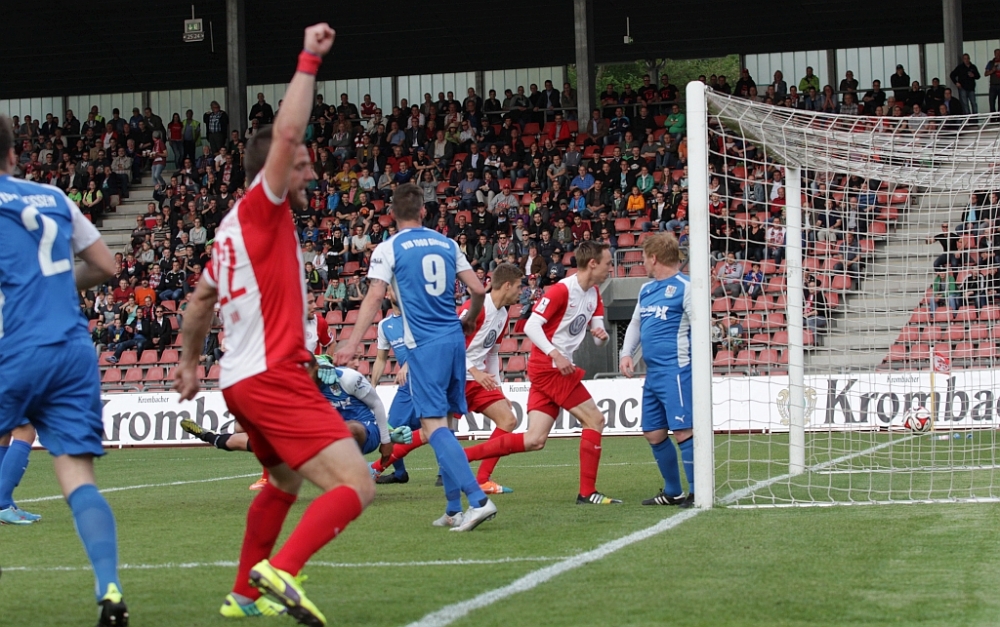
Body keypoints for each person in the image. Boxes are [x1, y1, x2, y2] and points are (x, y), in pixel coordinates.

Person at [173, 24, 376, 625]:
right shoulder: (263, 206)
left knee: (283, 482)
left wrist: (189, 365)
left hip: (239, 383)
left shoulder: (229, 231)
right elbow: (286, 132)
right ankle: (281, 570)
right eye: (303, 165)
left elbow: (199, 303)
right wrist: (309, 58)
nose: (311, 174)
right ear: (275, 168)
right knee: (357, 484)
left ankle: (242, 594)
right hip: (274, 375)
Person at [0, 114, 128, 625]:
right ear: (14, 154)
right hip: (72, 350)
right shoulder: (54, 196)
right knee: (77, 475)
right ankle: (110, 587)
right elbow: (105, 267)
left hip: (14, 346)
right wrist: (48, 284)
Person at [333, 182, 498, 532]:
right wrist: (470, 318)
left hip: (424, 344)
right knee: (446, 425)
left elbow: (375, 295)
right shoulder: (447, 243)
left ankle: (478, 500)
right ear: (424, 211)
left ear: (392, 214)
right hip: (454, 340)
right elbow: (478, 289)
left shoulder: (389, 248)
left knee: (433, 426)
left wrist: (351, 342)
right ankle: (453, 508)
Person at [462, 241, 621, 505]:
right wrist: (555, 354)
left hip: (553, 367)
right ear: (592, 264)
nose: (610, 269)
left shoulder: (594, 293)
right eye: (607, 264)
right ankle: (587, 492)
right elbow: (532, 326)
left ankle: (463, 457)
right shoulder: (562, 290)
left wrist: (601, 336)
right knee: (595, 420)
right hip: (550, 368)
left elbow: (597, 337)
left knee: (535, 440)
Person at [372, 264, 526, 496]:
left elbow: (493, 353)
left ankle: (483, 479)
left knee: (508, 420)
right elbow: (451, 340)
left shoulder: (503, 314)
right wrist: (475, 372)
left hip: (476, 379)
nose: (520, 291)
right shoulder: (476, 308)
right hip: (453, 375)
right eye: (518, 286)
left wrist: (498, 387)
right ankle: (375, 468)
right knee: (431, 432)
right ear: (506, 285)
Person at [618, 233, 695, 507]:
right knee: (653, 432)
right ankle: (673, 492)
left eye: (643, 258)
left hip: (677, 370)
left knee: (683, 430)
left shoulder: (687, 287)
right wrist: (626, 353)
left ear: (653, 258)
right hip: (653, 374)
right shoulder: (646, 290)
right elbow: (636, 323)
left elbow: (701, 327)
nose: (643, 263)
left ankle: (698, 490)